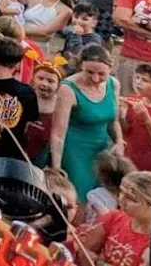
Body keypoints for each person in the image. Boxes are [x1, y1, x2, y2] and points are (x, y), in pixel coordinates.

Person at [49, 44, 122, 203]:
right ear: (80, 67)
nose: (95, 78)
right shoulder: (68, 89)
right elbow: (58, 133)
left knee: (102, 197)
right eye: (89, 72)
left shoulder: (113, 84)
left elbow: (113, 121)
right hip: (75, 149)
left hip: (101, 148)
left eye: (101, 74)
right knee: (79, 196)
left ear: (110, 69)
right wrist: (56, 167)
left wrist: (119, 142)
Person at [75, 171, 151, 266]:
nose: (121, 199)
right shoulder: (114, 218)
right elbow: (86, 249)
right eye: (121, 192)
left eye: (131, 199)